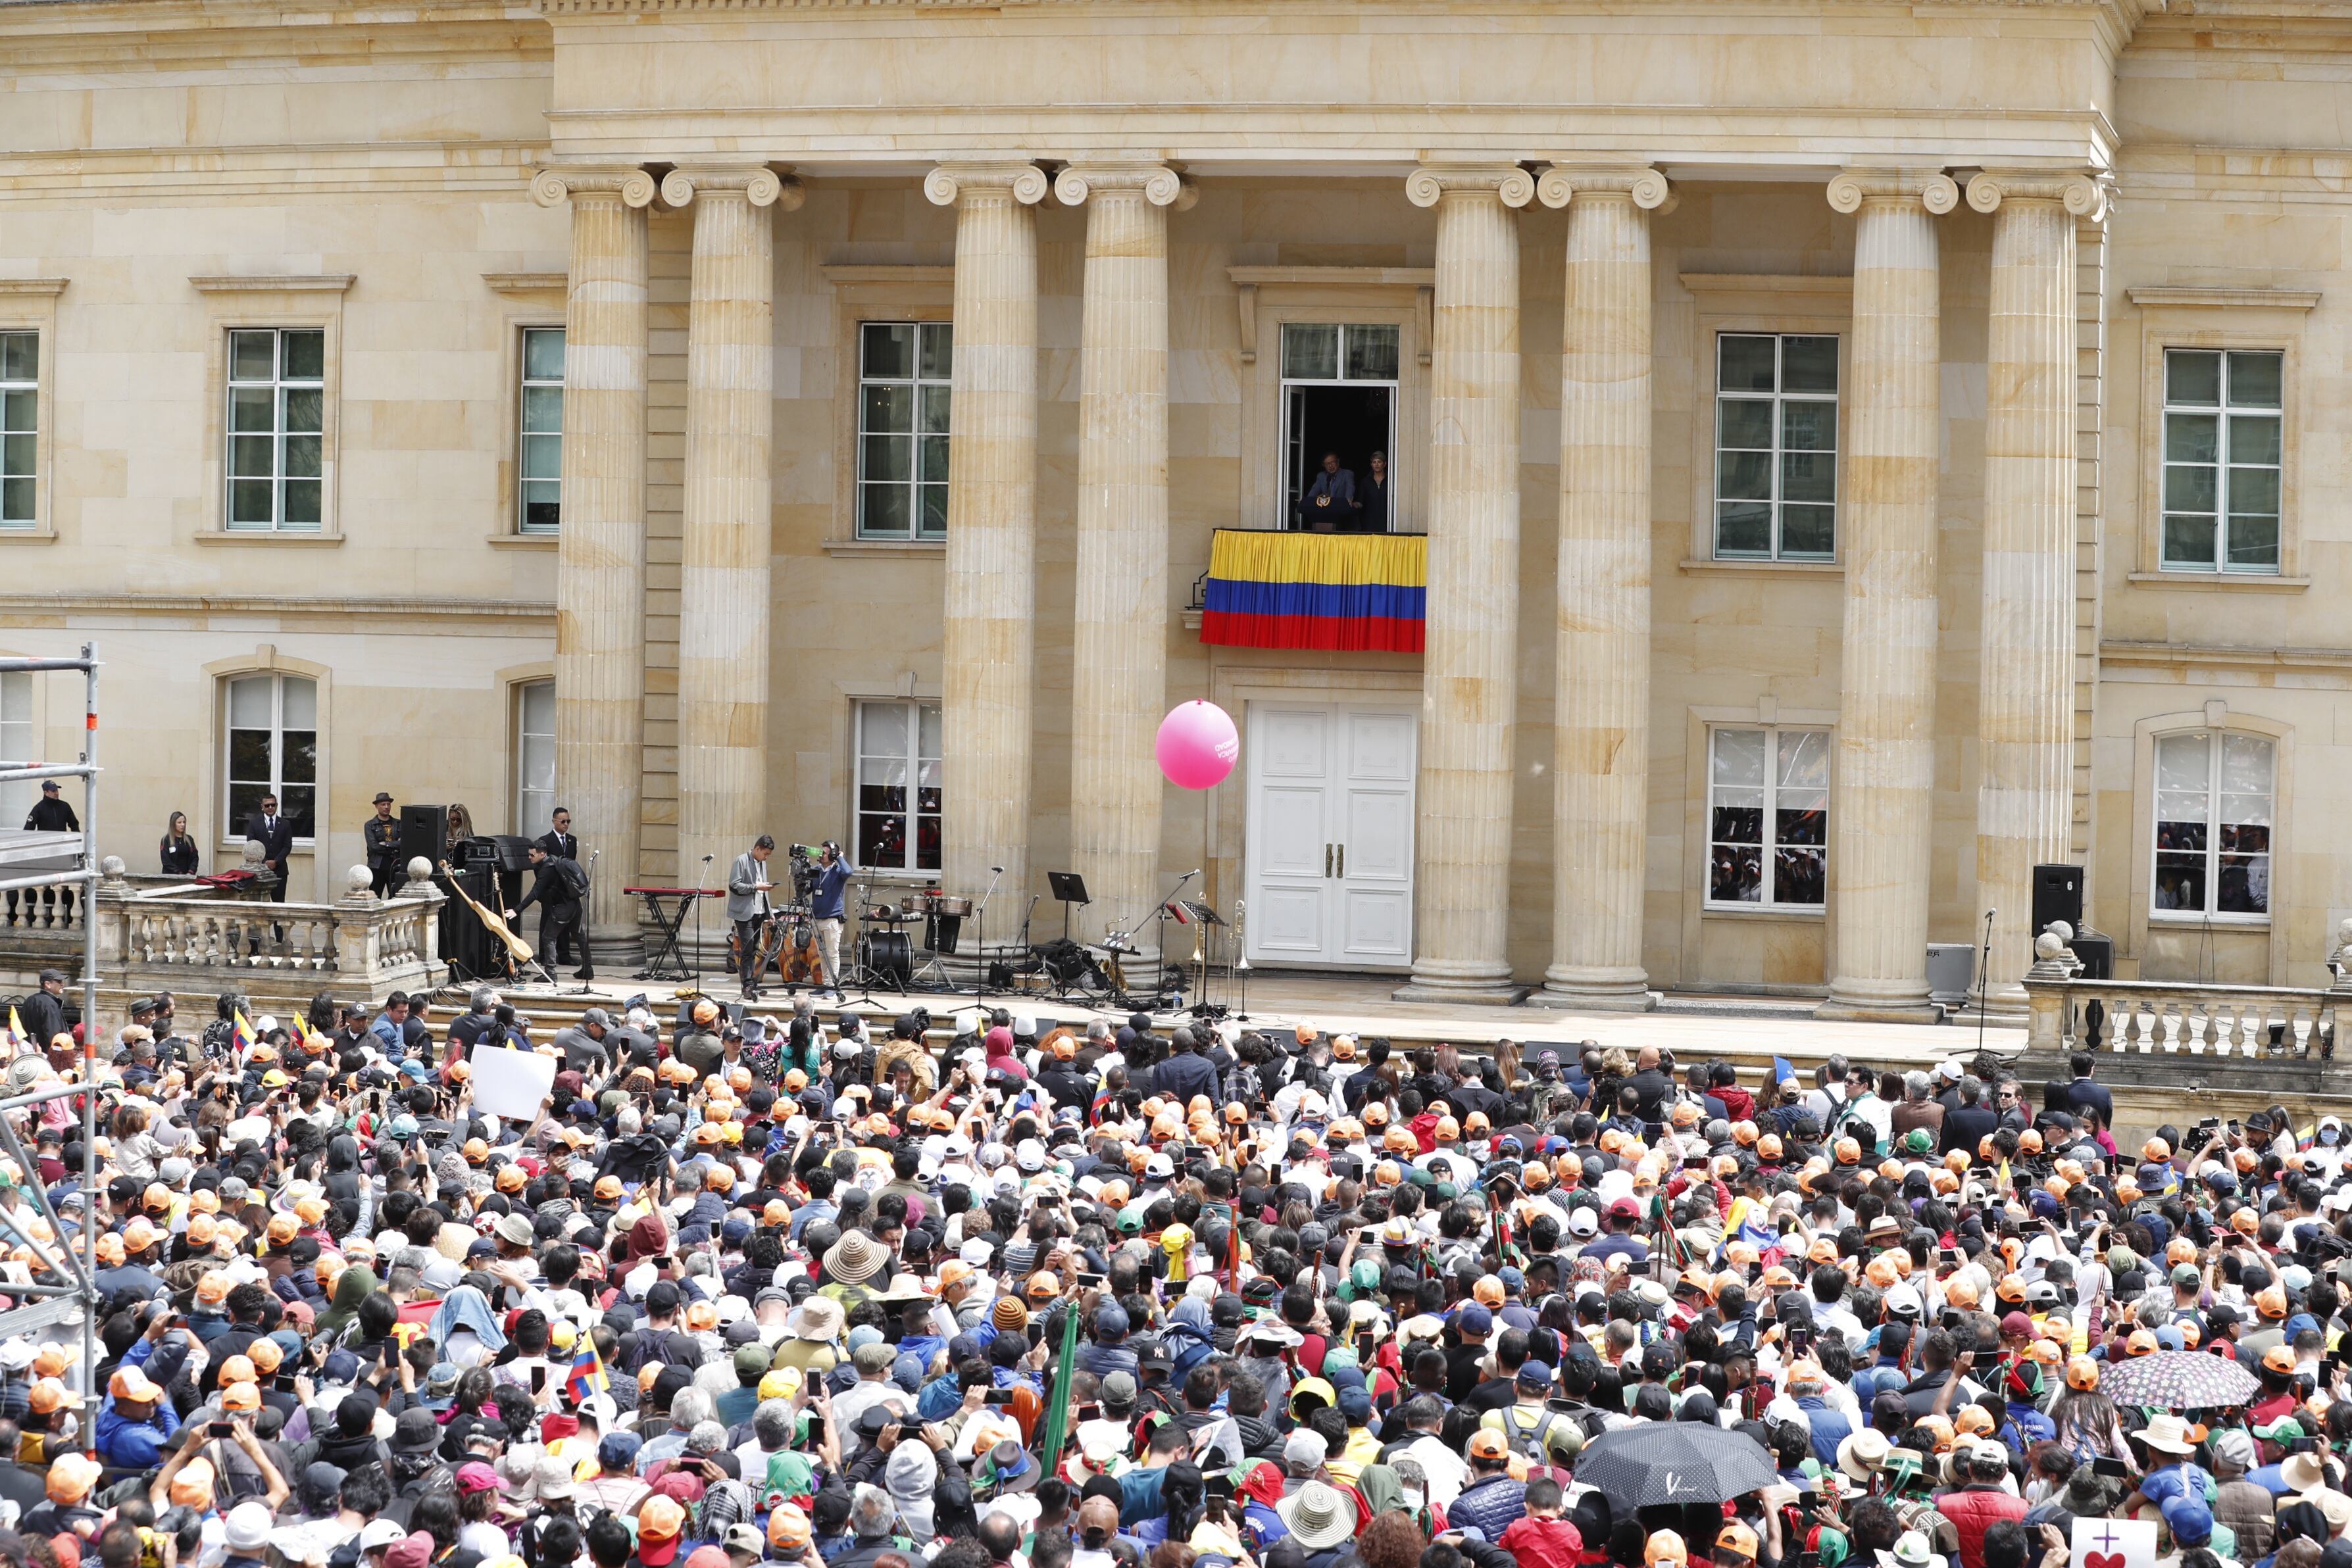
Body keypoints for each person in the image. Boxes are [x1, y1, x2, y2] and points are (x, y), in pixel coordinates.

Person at [512, 841, 592, 981]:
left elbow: (535, 893)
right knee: (580, 936)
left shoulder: (547, 869)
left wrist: (517, 910)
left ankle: (550, 973)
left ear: (542, 854)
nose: (529, 858)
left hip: (563, 908)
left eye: (532, 855)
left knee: (548, 937)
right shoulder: (555, 861)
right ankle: (588, 969)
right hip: (575, 905)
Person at [728, 835, 776, 1001]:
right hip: (744, 913)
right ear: (757, 849)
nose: (766, 857)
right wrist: (756, 887)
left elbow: (764, 890)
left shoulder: (762, 863)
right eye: (765, 853)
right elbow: (734, 885)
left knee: (755, 949)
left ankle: (752, 984)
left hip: (759, 912)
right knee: (747, 950)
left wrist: (769, 913)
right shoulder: (741, 861)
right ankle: (747, 986)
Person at [808, 841, 854, 1000]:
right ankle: (825, 984)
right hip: (817, 917)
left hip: (832, 918)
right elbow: (806, 889)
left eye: (825, 853)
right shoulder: (815, 870)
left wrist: (840, 858)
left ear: (833, 855)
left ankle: (833, 986)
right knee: (822, 953)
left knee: (832, 953)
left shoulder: (838, 870)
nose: (821, 855)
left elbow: (849, 872)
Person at [244, 788, 295, 917]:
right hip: (260, 870)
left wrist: (276, 861)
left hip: (280, 870)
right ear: (262, 807)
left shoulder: (285, 824)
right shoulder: (254, 823)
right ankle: (260, 936)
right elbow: (251, 844)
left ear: (277, 806)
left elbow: (287, 846)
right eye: (267, 805)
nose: (270, 807)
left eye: (273, 805)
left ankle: (280, 937)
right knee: (259, 907)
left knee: (279, 906)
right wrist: (265, 861)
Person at [1296, 451, 1355, 531]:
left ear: (1338, 462)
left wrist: (1348, 500)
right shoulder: (1321, 476)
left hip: (1342, 518)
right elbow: (1312, 495)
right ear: (1324, 466)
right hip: (1323, 517)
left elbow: (1350, 488)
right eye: (1327, 464)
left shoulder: (1347, 474)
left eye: (1332, 462)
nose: (1330, 466)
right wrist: (1308, 502)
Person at [365, 791, 405, 896]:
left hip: (395, 865)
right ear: (377, 806)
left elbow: (404, 844)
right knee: (374, 897)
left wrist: (386, 844)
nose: (386, 807)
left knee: (395, 897)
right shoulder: (370, 825)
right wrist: (395, 845)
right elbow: (374, 846)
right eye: (383, 804)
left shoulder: (399, 824)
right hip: (377, 867)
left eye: (388, 804)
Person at [1353, 450, 1391, 533]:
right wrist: (1355, 504)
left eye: (1379, 462)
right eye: (1374, 462)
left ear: (1385, 464)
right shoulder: (1365, 482)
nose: (1377, 464)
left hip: (1387, 522)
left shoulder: (1391, 481)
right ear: (1371, 465)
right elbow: (1360, 501)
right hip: (1369, 523)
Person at [161, 809, 200, 876]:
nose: (183, 825)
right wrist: (179, 873)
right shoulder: (166, 840)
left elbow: (195, 858)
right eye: (179, 823)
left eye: (184, 822)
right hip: (171, 877)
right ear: (173, 824)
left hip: (188, 876)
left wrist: (191, 872)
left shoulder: (189, 839)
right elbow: (166, 861)